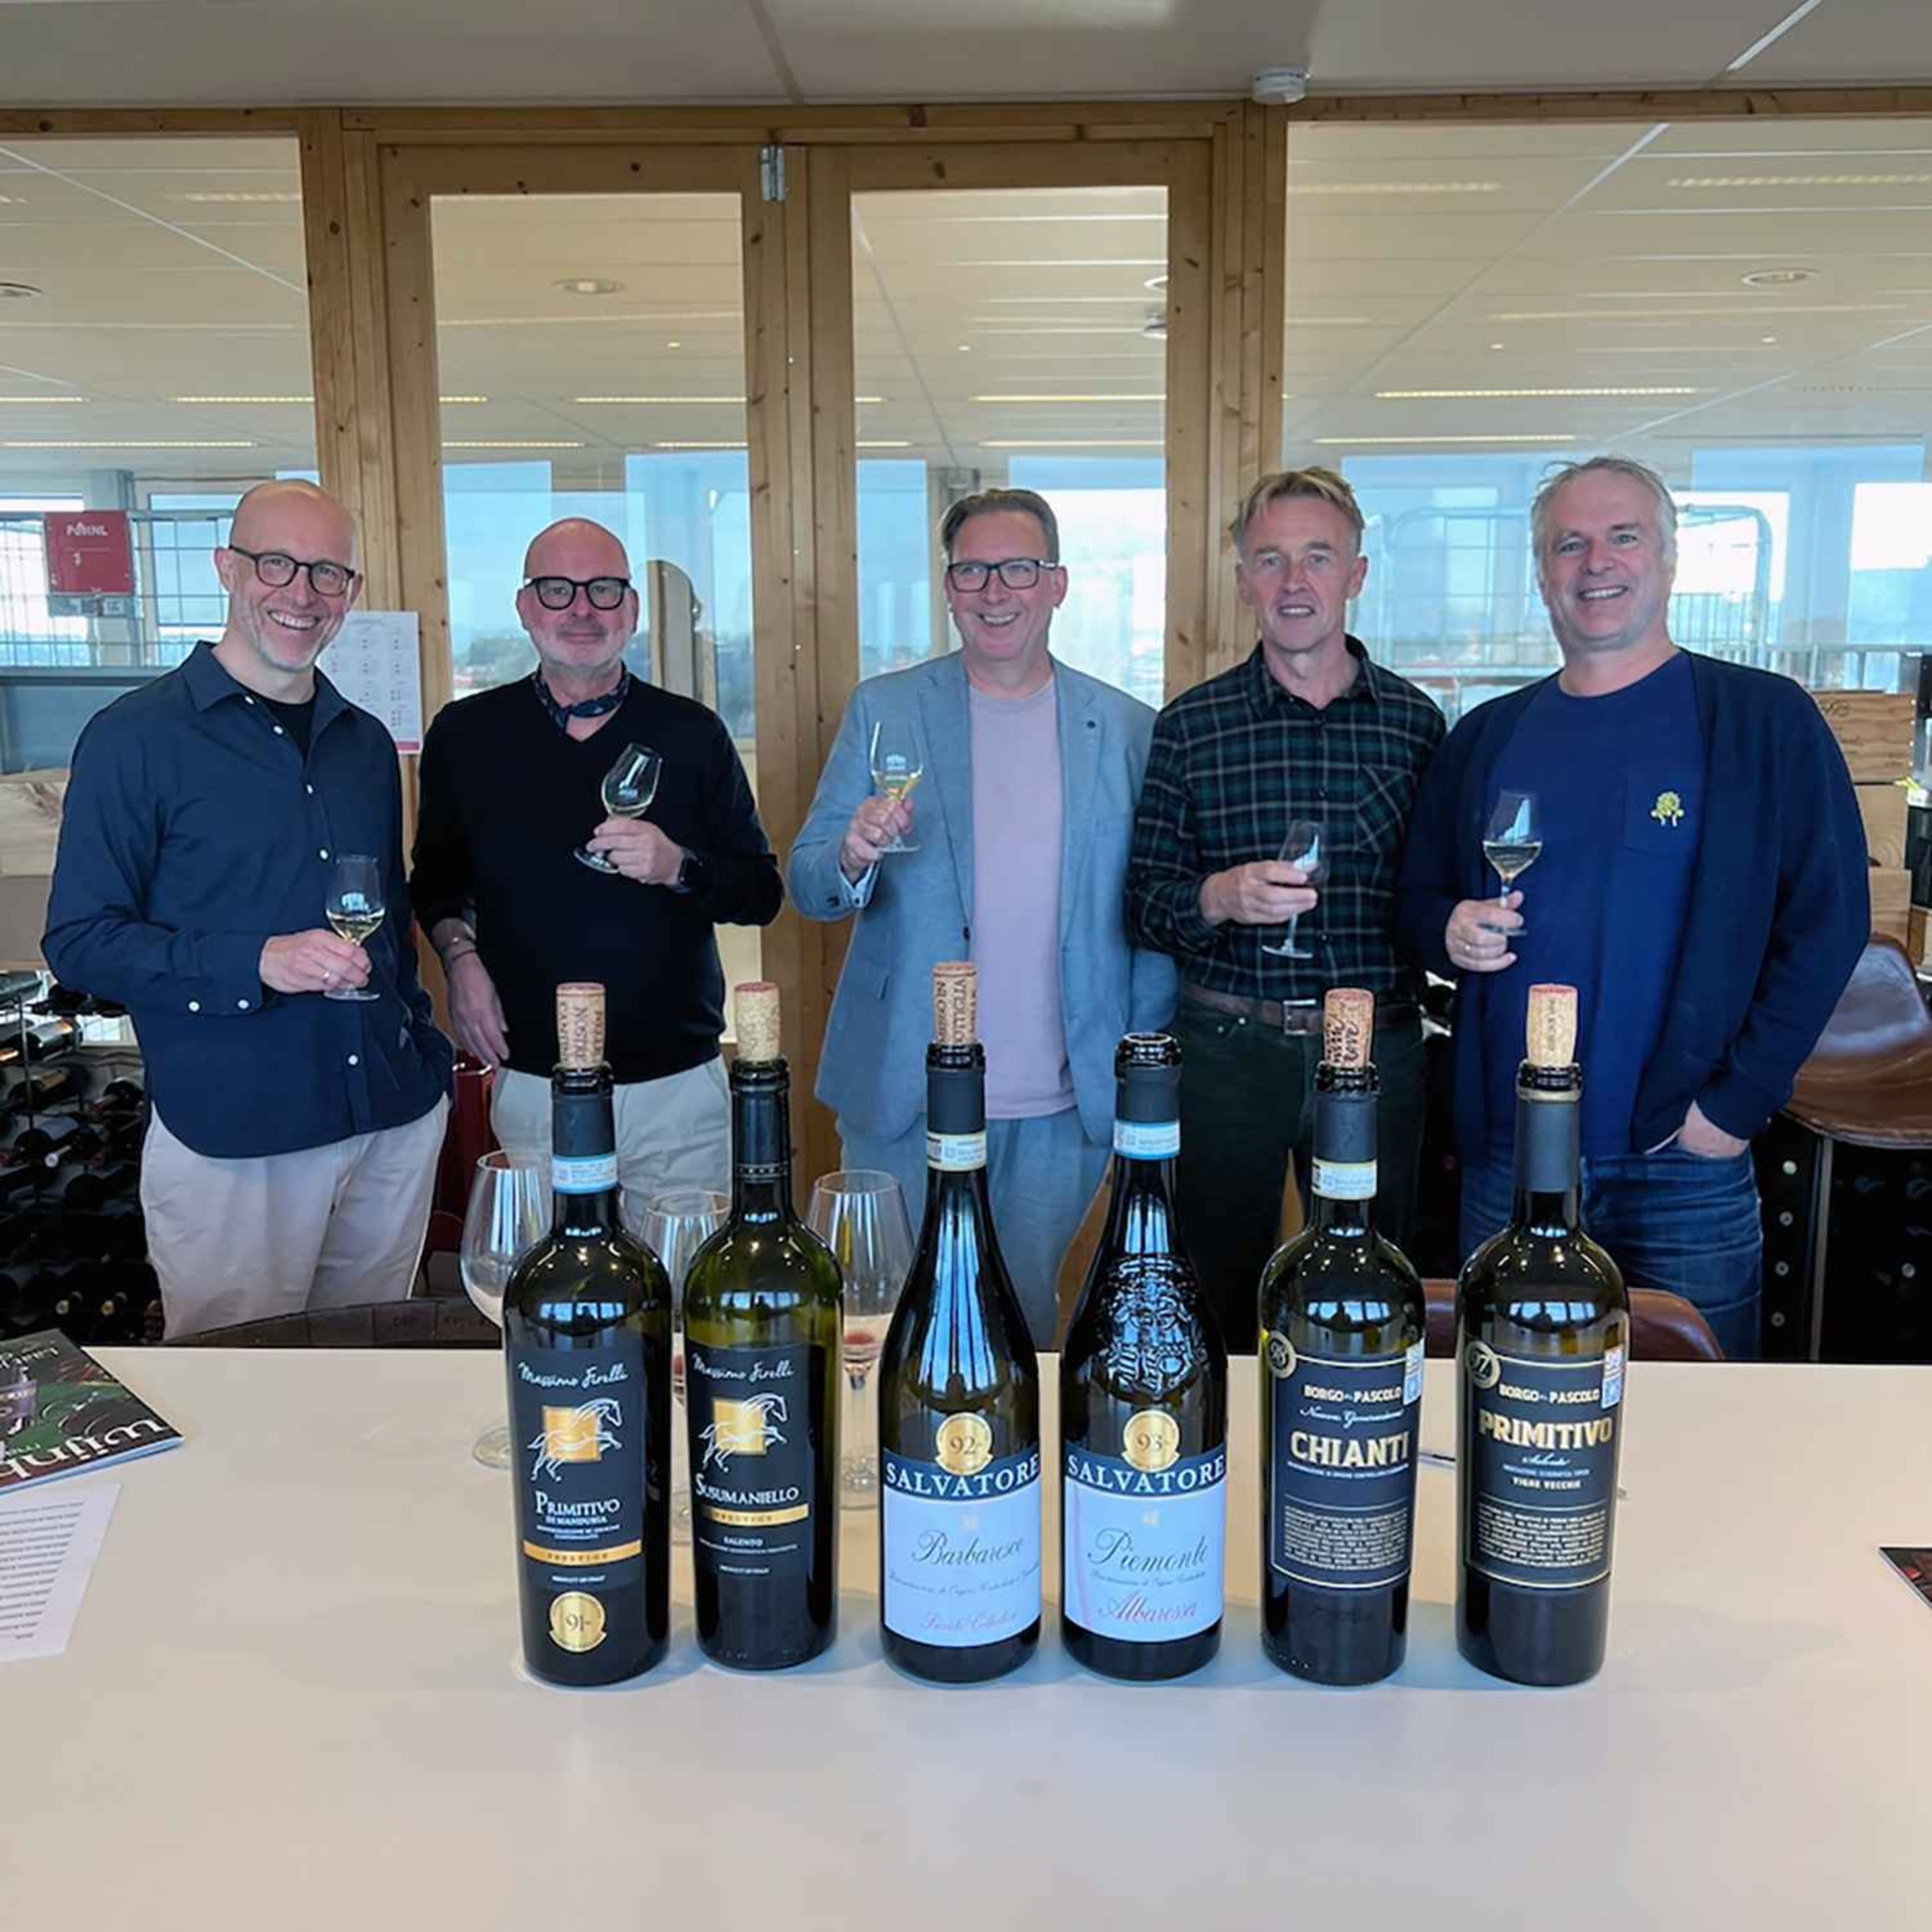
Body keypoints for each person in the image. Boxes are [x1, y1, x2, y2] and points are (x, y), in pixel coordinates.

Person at [1396, 454, 1868, 1360]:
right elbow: (1417, 901)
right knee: (1507, 1404)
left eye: (1623, 537)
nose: (1596, 563)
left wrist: (1735, 1106)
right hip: (1513, 1156)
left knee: (1702, 1416)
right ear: (1542, 573)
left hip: (1684, 1158)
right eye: (1568, 544)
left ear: (1669, 557)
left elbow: (1829, 922)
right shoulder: (1488, 735)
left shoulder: (1762, 721)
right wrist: (1446, 927)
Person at [44, 480, 453, 1339]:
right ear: (226, 569)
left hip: (389, 1120)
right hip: (235, 1139)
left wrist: (426, 1058)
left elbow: (390, 921)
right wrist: (257, 960)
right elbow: (80, 941)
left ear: (351, 591)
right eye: (276, 565)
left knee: (372, 1385)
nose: (302, 593)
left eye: (327, 573)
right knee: (243, 1396)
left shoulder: (365, 744)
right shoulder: (135, 738)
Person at [788, 486, 1175, 1347]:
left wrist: (1135, 1071)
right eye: (972, 571)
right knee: (886, 1326)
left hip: (1061, 1105)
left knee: (1019, 1325)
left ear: (1057, 584)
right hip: (903, 1093)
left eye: (1018, 570)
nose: (995, 591)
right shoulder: (886, 709)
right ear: (949, 587)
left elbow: (1152, 922)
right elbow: (809, 883)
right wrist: (851, 851)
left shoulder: (1127, 729)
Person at [1126, 467, 1445, 1349]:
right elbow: (1143, 905)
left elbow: (1437, 897)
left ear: (1357, 574)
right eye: (1270, 560)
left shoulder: (1417, 726)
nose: (1294, 582)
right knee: (1210, 1289)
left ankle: (1359, 1428)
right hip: (1228, 1049)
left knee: (1375, 1288)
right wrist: (1218, 895)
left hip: (1376, 1047)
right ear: (1243, 581)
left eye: (1318, 557)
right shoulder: (1191, 726)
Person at [412, 517, 781, 1226]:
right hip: (534, 1081)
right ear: (526, 607)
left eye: (604, 590)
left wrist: (679, 866)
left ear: (631, 609)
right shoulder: (467, 734)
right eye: (558, 590)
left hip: (678, 1091)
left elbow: (761, 893)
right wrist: (460, 961)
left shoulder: (692, 733)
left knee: (682, 1285)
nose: (582, 609)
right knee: (547, 1289)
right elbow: (434, 880)